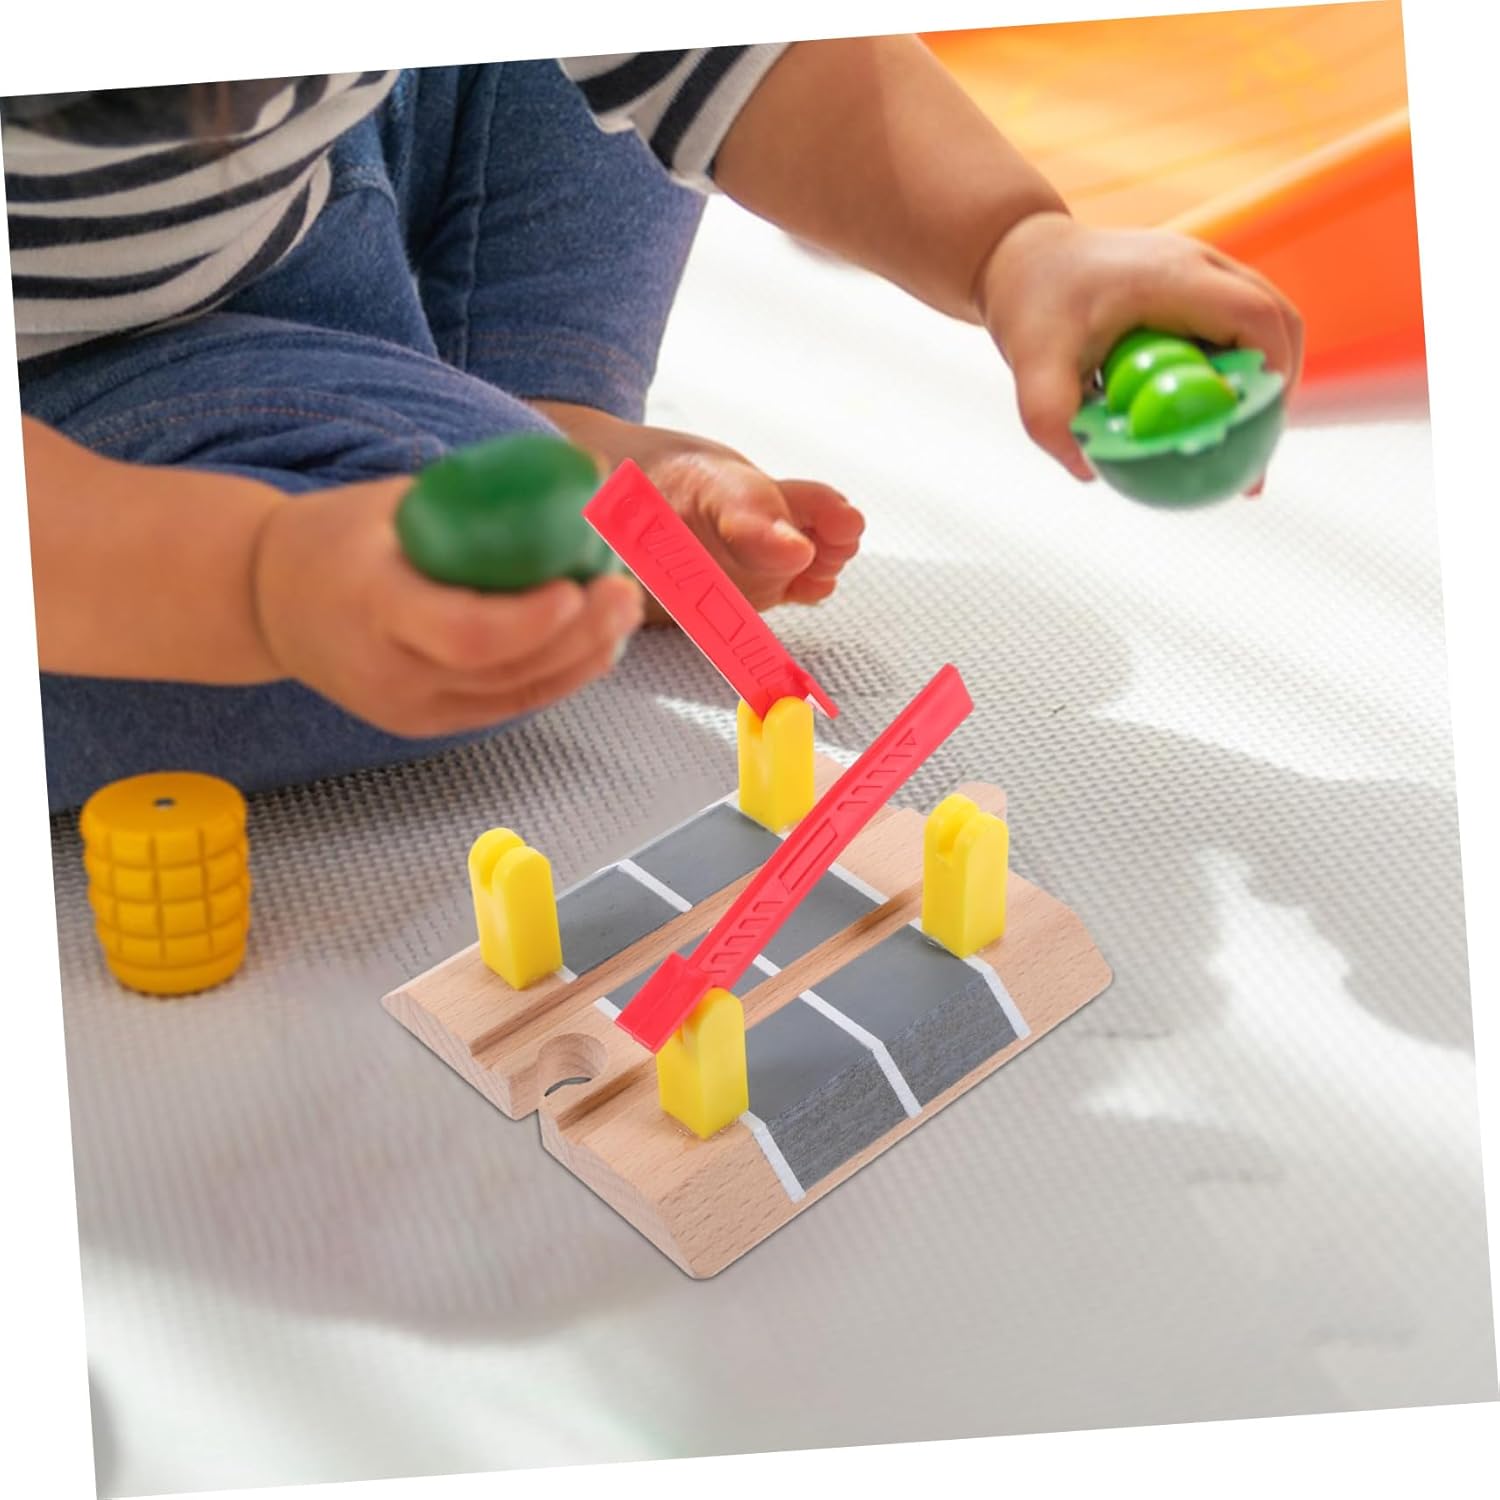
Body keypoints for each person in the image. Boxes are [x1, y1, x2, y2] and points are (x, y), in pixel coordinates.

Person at [6, 40, 1302, 813]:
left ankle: (542, 409)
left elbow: (736, 59)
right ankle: (486, 475)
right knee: (459, 597)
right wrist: (257, 581)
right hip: (79, 454)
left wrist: (1013, 247)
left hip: (316, 186)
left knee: (584, 73)